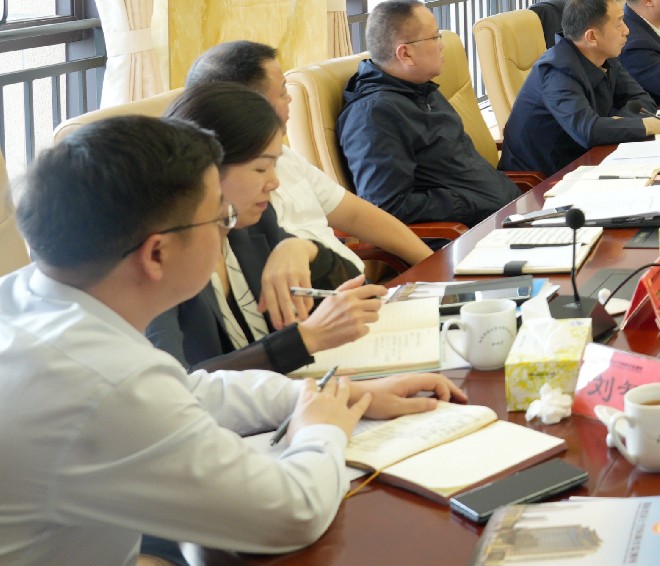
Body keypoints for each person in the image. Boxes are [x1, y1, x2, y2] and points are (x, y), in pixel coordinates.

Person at [0, 115, 461, 564]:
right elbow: (291, 514)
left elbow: (186, 390)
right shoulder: (106, 382)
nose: (229, 232)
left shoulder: (29, 296)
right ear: (157, 252)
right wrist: (321, 430)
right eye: (221, 220)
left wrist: (326, 397)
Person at [147, 84, 384, 374]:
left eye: (275, 167)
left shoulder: (251, 222)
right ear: (206, 170)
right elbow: (173, 382)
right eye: (261, 169)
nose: (274, 183)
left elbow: (360, 295)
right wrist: (303, 340)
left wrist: (302, 248)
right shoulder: (157, 260)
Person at [186, 41, 430, 270]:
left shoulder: (284, 157)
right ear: (249, 108)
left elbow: (357, 215)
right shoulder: (226, 202)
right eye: (282, 92)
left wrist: (433, 267)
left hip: (357, 290)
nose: (290, 98)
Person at [337, 0, 518, 227]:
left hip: (503, 215)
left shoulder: (420, 89)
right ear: (405, 54)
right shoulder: (374, 115)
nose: (441, 45)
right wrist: (468, 202)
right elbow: (387, 206)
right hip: (466, 235)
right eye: (435, 37)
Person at [503, 0, 660, 177]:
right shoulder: (557, 71)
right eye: (619, 23)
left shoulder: (604, 55)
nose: (627, 31)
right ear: (592, 36)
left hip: (592, 160)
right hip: (543, 180)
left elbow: (642, 100)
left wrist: (612, 125)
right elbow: (588, 131)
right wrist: (656, 124)